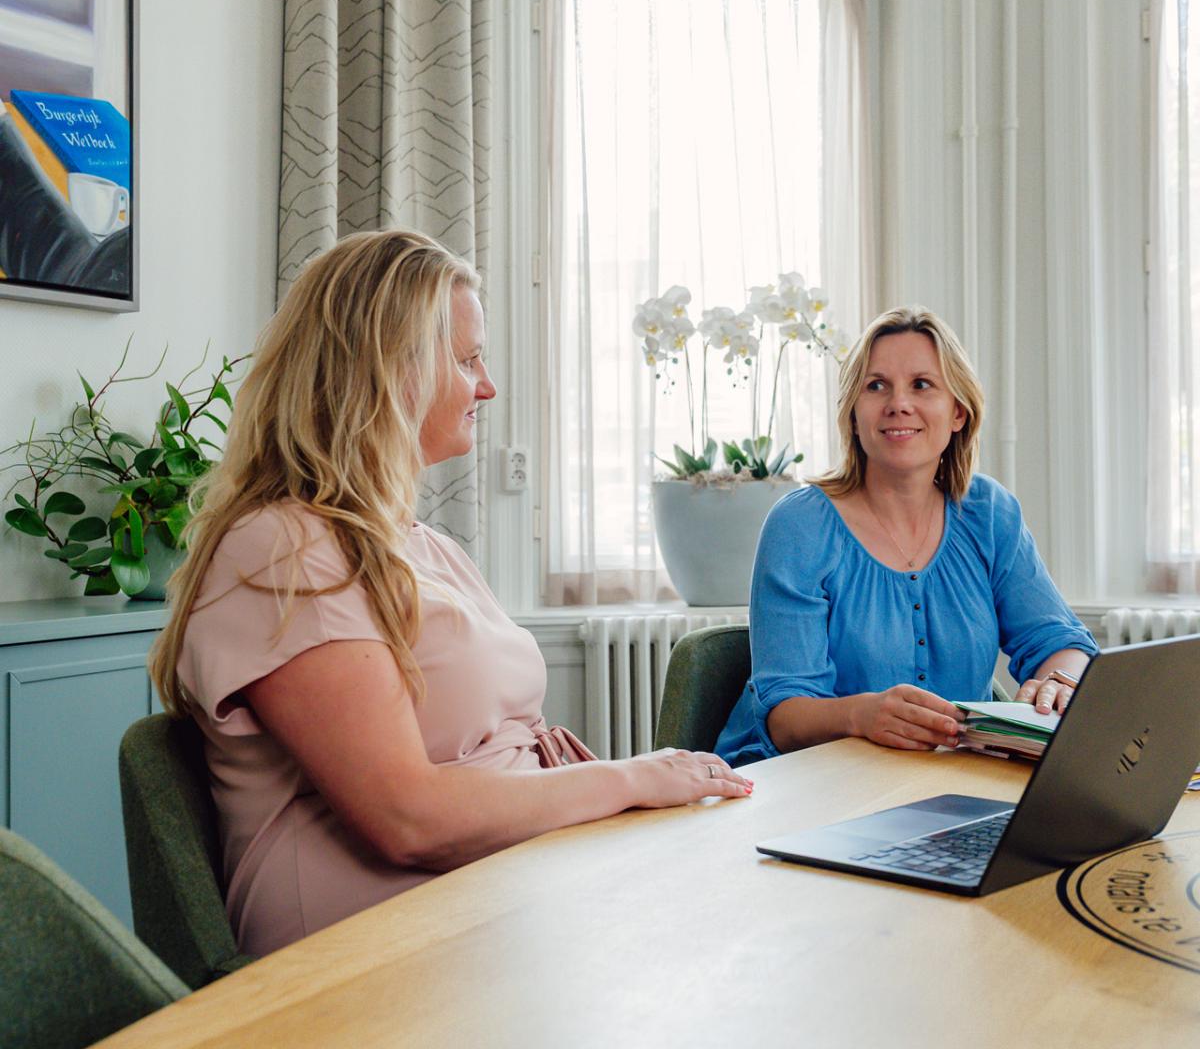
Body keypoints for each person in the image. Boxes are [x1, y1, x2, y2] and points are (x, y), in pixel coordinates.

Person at [149, 230, 751, 957]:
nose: (487, 386)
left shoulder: (428, 548)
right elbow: (408, 818)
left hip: (498, 896)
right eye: (468, 361)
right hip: (373, 946)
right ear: (385, 370)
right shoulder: (284, 546)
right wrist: (630, 779)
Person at [715, 305, 1098, 769]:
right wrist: (860, 714)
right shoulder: (800, 526)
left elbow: (1058, 638)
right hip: (805, 781)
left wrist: (1061, 680)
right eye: (876, 386)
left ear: (957, 412)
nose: (898, 403)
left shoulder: (989, 513)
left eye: (922, 385)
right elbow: (784, 717)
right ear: (854, 415)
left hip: (948, 781)